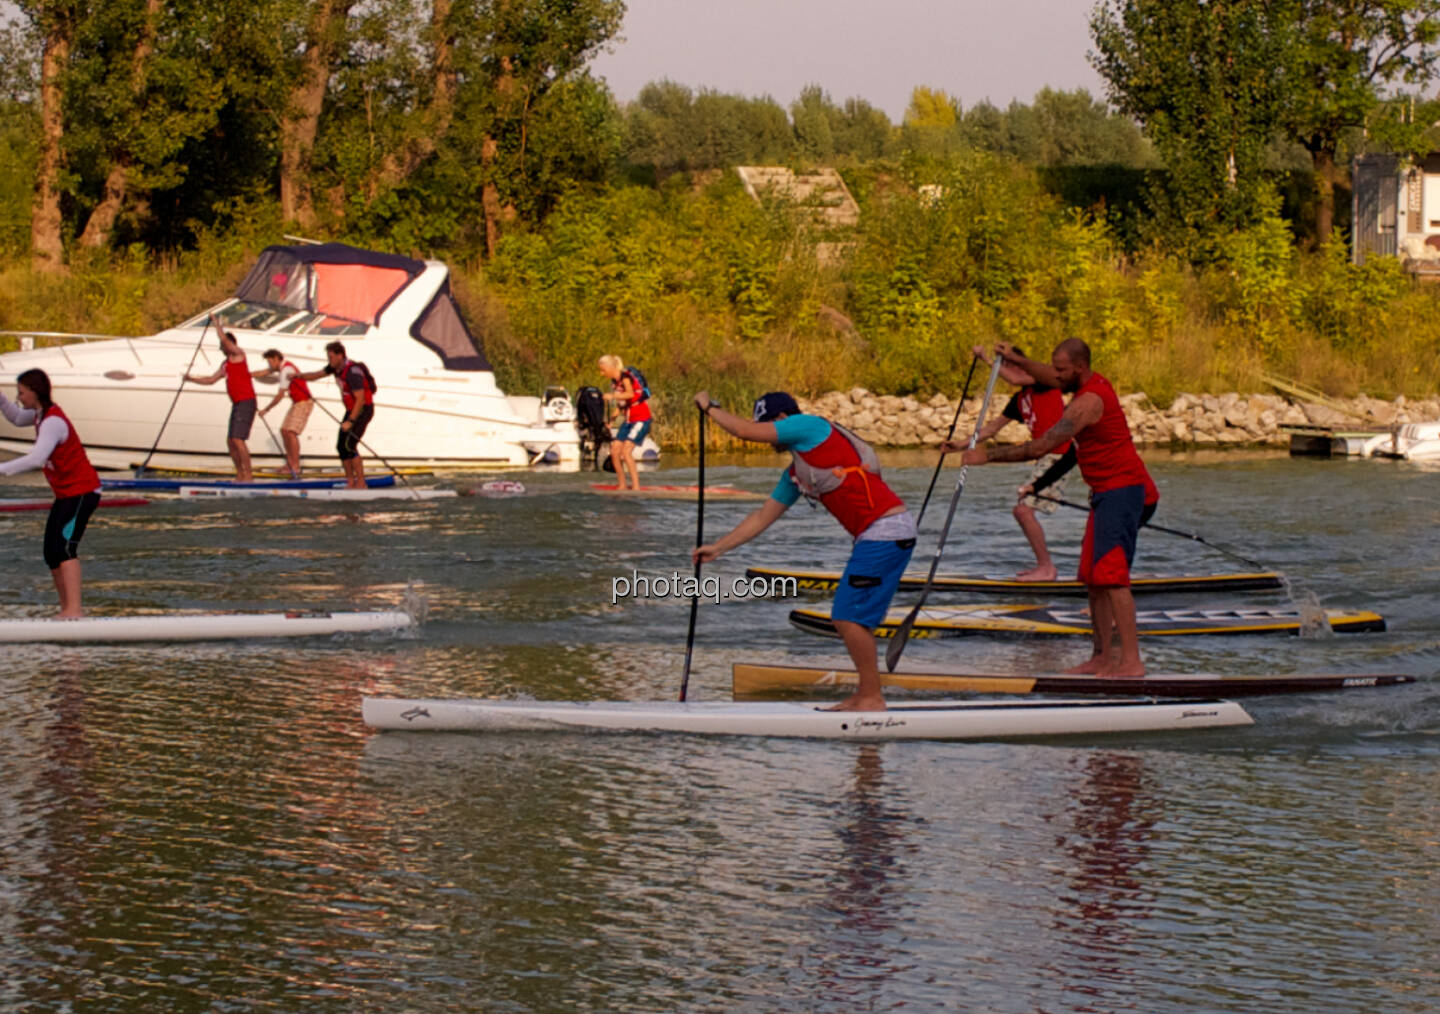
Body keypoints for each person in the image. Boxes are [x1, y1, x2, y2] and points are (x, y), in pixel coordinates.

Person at [945, 338, 1158, 677]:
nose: (1055, 376)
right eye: (1053, 368)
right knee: (1092, 578)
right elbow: (1043, 372)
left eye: (1061, 370)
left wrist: (987, 456)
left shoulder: (1087, 402)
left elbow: (1042, 446)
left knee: (1112, 578)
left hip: (1125, 492)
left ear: (1079, 367)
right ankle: (1101, 658)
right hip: (1103, 494)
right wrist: (1014, 358)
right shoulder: (1078, 380)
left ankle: (1131, 662)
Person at [692, 390, 916, 711]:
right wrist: (718, 548)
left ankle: (870, 697)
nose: (770, 438)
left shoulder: (810, 426)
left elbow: (743, 431)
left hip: (886, 531)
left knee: (846, 618)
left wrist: (710, 406)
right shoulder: (797, 473)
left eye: (769, 427)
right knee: (852, 619)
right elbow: (761, 517)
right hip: (879, 536)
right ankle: (868, 693)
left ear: (784, 420)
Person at [967, 344, 1076, 581]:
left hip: (1060, 454)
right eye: (1002, 367)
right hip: (1043, 458)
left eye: (1007, 366)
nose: (1005, 372)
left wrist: (987, 359)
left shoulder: (1043, 382)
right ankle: (1044, 566)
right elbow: (992, 429)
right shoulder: (1019, 399)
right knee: (1022, 511)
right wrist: (961, 443)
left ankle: (1046, 568)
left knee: (1023, 511)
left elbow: (1017, 378)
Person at [0, 369, 102, 617]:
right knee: (51, 552)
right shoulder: (38, 414)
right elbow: (14, 417)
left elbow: (37, 458)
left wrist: (1, 469)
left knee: (65, 549)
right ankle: (65, 609)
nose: (19, 397)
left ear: (35, 392)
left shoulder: (52, 422)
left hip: (83, 493)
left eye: (22, 393)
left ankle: (74, 611)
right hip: (67, 495)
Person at [183, 319, 256, 482]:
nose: (220, 349)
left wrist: (217, 324)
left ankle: (248, 475)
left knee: (238, 439)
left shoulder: (239, 354)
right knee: (230, 441)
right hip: (237, 403)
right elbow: (210, 380)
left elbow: (224, 341)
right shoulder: (225, 364)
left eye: (222, 346)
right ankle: (240, 474)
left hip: (246, 401)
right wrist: (191, 379)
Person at [302, 341, 374, 489]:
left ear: (340, 355)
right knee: (341, 446)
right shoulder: (335, 368)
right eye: (328, 357)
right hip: (351, 409)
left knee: (350, 444)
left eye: (331, 357)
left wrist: (351, 421)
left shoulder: (352, 371)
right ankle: (350, 481)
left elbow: (360, 399)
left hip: (363, 409)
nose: (330, 360)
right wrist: (298, 376)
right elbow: (316, 375)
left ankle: (361, 482)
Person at [256, 348, 314, 478]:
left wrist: (266, 409)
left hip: (304, 401)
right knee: (284, 430)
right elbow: (265, 373)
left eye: (270, 362)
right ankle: (290, 463)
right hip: (297, 402)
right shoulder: (283, 368)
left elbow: (280, 394)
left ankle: (295, 465)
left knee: (290, 432)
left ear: (276, 359)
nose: (269, 365)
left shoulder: (286, 370)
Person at [597, 355, 651, 491]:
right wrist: (612, 420)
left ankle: (636, 487)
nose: (601, 373)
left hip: (641, 418)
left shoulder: (625, 377)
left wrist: (612, 396)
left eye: (603, 370)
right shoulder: (614, 383)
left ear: (611, 367)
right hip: (628, 419)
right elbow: (621, 404)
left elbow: (630, 394)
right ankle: (622, 485)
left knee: (626, 452)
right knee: (614, 451)